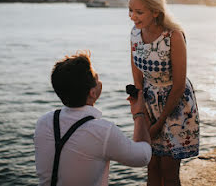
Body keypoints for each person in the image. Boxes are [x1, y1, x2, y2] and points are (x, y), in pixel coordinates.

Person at [34, 51, 152, 186]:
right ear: (92, 92)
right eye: (97, 77)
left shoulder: (43, 123)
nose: (99, 79)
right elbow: (143, 156)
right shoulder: (102, 131)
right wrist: (139, 114)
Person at [128, 0, 200, 186]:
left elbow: (178, 85)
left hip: (175, 106)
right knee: (151, 165)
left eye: (139, 12)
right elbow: (137, 78)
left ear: (155, 11)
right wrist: (141, 114)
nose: (132, 16)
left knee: (168, 171)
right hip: (149, 104)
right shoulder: (135, 33)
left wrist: (159, 123)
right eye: (130, 10)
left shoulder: (174, 36)